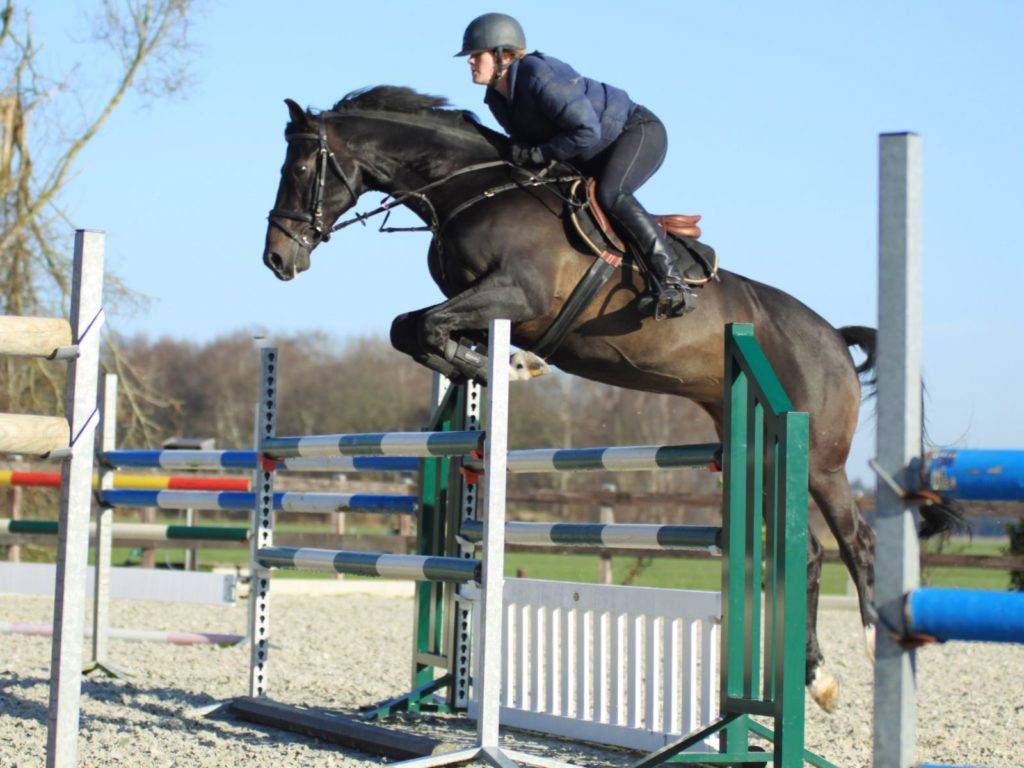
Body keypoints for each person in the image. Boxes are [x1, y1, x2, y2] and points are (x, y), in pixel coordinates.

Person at [456, 12, 702, 318]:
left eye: (475, 55)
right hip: (589, 151)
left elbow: (586, 131)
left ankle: (672, 283)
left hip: (634, 132)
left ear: (502, 54)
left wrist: (536, 155)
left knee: (612, 195)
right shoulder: (496, 99)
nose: (469, 62)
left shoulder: (537, 75)